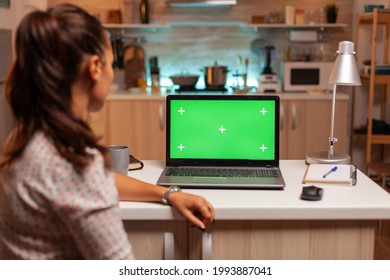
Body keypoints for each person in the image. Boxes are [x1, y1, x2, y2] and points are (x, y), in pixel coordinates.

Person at [0, 3, 214, 260]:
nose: (112, 75)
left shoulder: (26, 139)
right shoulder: (72, 167)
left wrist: (170, 194)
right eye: (112, 64)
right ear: (95, 67)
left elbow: (99, 179)